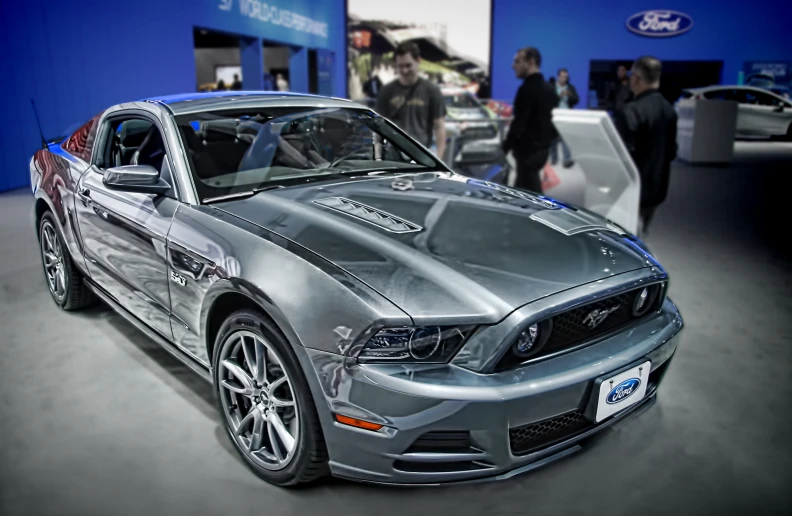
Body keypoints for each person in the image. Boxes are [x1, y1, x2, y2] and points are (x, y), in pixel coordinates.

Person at [614, 56, 678, 236]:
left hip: (632, 191)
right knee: (641, 233)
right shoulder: (669, 110)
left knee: (626, 239)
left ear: (635, 78)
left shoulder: (631, 111)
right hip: (657, 189)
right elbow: (672, 151)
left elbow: (622, 156)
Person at [501, 47, 559, 193]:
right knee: (526, 194)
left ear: (531, 62)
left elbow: (518, 124)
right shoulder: (550, 89)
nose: (513, 65)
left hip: (527, 154)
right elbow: (554, 124)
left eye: (517, 61)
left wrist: (504, 148)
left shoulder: (526, 89)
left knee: (528, 198)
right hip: (541, 153)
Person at [376, 42, 446, 159]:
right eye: (400, 66)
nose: (404, 70)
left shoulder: (431, 90)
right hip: (393, 157)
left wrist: (439, 158)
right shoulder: (386, 92)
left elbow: (439, 126)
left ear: (418, 61)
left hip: (421, 156)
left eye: (408, 65)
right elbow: (378, 127)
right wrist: (377, 157)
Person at [551, 68, 579, 168]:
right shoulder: (552, 86)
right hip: (554, 115)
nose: (564, 79)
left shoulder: (570, 87)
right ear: (558, 76)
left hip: (566, 115)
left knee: (565, 137)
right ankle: (554, 158)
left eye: (566, 77)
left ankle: (566, 159)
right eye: (562, 76)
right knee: (553, 139)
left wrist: (570, 96)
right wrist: (559, 96)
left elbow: (576, 100)